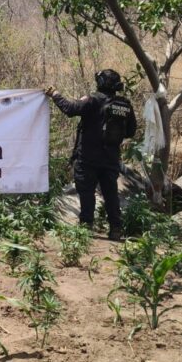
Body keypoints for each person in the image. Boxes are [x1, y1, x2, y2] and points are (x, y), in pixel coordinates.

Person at [46, 69, 137, 241]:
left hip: (88, 158)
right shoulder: (125, 105)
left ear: (101, 83)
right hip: (110, 159)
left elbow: (70, 109)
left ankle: (86, 227)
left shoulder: (93, 100)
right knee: (111, 194)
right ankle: (116, 229)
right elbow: (131, 131)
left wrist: (55, 94)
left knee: (87, 193)